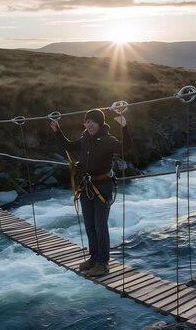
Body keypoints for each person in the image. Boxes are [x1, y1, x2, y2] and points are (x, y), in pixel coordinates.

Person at [50, 109, 132, 276]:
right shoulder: (85, 137)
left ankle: (103, 264)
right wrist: (57, 130)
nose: (89, 125)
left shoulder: (108, 140)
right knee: (90, 225)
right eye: (87, 122)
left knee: (100, 226)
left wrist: (124, 127)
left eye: (93, 122)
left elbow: (126, 148)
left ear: (100, 123)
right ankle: (94, 258)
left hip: (103, 186)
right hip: (87, 186)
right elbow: (68, 146)